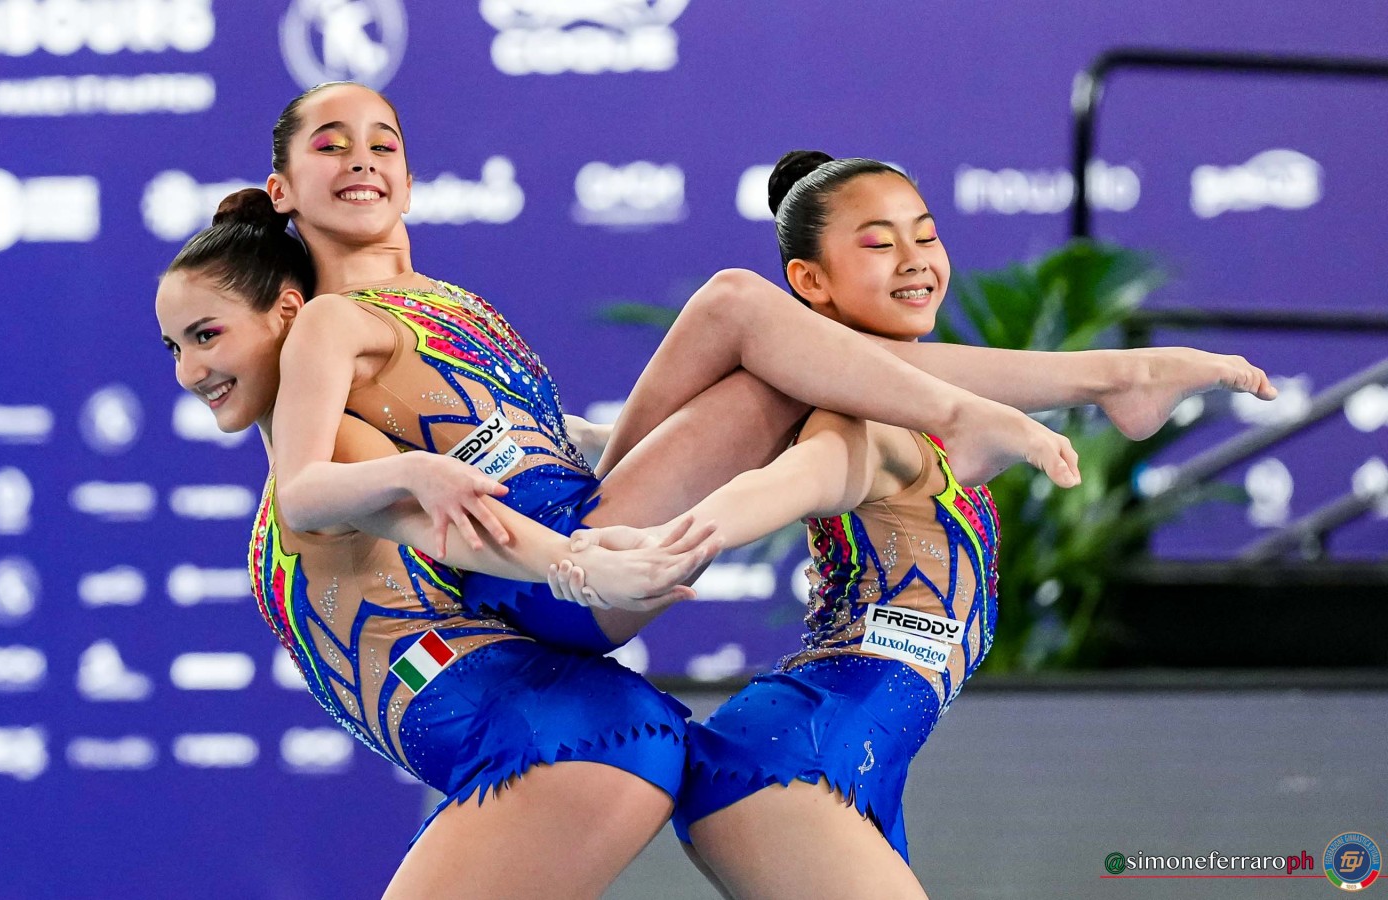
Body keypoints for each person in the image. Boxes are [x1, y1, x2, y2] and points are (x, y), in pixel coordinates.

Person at [258, 80, 1271, 656]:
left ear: (409, 177)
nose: (363, 159)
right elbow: (301, 487)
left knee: (795, 352)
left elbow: (527, 434)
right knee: (743, 309)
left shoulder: (452, 303)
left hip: (589, 506)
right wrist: (421, 476)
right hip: (552, 566)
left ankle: (1106, 379)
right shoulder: (328, 322)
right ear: (282, 190)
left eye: (383, 143)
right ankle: (1040, 395)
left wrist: (612, 445)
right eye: (332, 147)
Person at [551, 151, 1273, 899]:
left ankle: (1118, 378)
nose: (914, 259)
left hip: (839, 766)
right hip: (796, 761)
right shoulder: (853, 422)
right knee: (750, 314)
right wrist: (674, 539)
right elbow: (792, 480)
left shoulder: (888, 406)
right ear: (810, 282)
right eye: (878, 243)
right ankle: (1118, 377)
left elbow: (869, 380)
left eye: (925, 236)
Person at [155, 192, 722, 899]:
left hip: (542, 743)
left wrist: (578, 564)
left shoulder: (342, 449)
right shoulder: (321, 466)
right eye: (174, 347)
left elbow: (450, 525)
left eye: (207, 336)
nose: (188, 371)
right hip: (553, 737)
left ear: (288, 315)